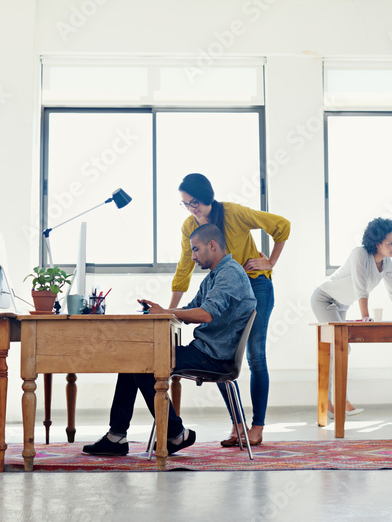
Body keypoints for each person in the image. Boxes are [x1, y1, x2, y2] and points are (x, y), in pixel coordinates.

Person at [84, 223, 257, 457]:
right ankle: (117, 437)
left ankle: (175, 433)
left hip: (215, 356)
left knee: (143, 365)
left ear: (212, 245)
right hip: (206, 350)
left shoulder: (230, 273)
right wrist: (163, 310)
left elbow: (205, 314)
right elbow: (192, 309)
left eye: (195, 249)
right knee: (133, 360)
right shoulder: (215, 276)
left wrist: (167, 312)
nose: (193, 256)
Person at [171, 173, 290, 447]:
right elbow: (184, 268)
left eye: (195, 203)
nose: (192, 210)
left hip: (255, 286)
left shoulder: (234, 213)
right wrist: (170, 312)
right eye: (186, 204)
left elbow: (282, 226)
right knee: (218, 351)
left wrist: (270, 262)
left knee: (255, 354)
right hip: (223, 291)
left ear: (207, 197)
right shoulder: (189, 226)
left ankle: (257, 427)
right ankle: (238, 425)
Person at [310, 217, 392, 416]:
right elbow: (361, 289)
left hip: (342, 304)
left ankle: (336, 401)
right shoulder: (360, 254)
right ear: (378, 244)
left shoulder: (387, 264)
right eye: (390, 244)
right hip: (324, 299)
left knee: (340, 350)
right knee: (340, 348)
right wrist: (365, 318)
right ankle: (332, 403)